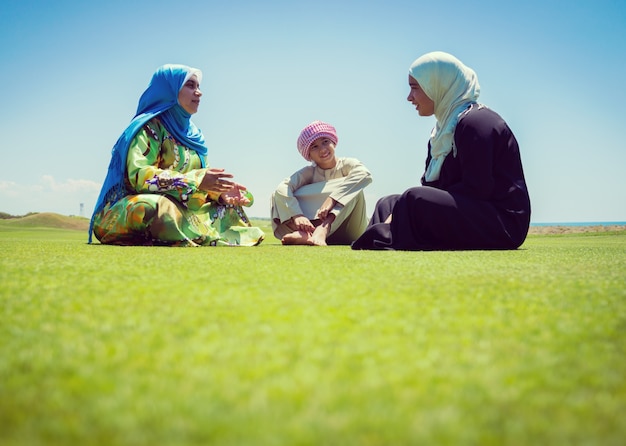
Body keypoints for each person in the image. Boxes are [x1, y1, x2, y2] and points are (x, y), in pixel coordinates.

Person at [352, 51, 530, 251]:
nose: (409, 97)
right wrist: (402, 207)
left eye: (415, 88)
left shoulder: (477, 123)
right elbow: (432, 186)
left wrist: (409, 206)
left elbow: (478, 188)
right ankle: (382, 236)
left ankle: (383, 236)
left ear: (437, 85)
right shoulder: (441, 132)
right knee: (389, 203)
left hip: (502, 224)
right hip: (470, 212)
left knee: (411, 199)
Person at [89, 64, 264, 247]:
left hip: (183, 208)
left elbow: (202, 183)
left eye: (198, 86)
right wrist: (195, 181)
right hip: (134, 206)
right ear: (169, 90)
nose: (199, 92)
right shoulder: (147, 128)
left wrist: (219, 193)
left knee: (228, 209)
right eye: (190, 85)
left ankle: (190, 233)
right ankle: (196, 233)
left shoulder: (195, 137)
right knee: (155, 207)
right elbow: (140, 176)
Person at [270, 120, 372, 245]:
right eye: (314, 146)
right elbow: (282, 188)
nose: (322, 149)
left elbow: (365, 174)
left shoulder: (347, 164)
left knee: (354, 188)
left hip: (351, 230)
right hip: (317, 233)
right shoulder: (309, 172)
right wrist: (297, 215)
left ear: (333, 142)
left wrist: (332, 199)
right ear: (309, 155)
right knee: (278, 195)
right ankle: (305, 232)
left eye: (325, 142)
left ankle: (323, 228)